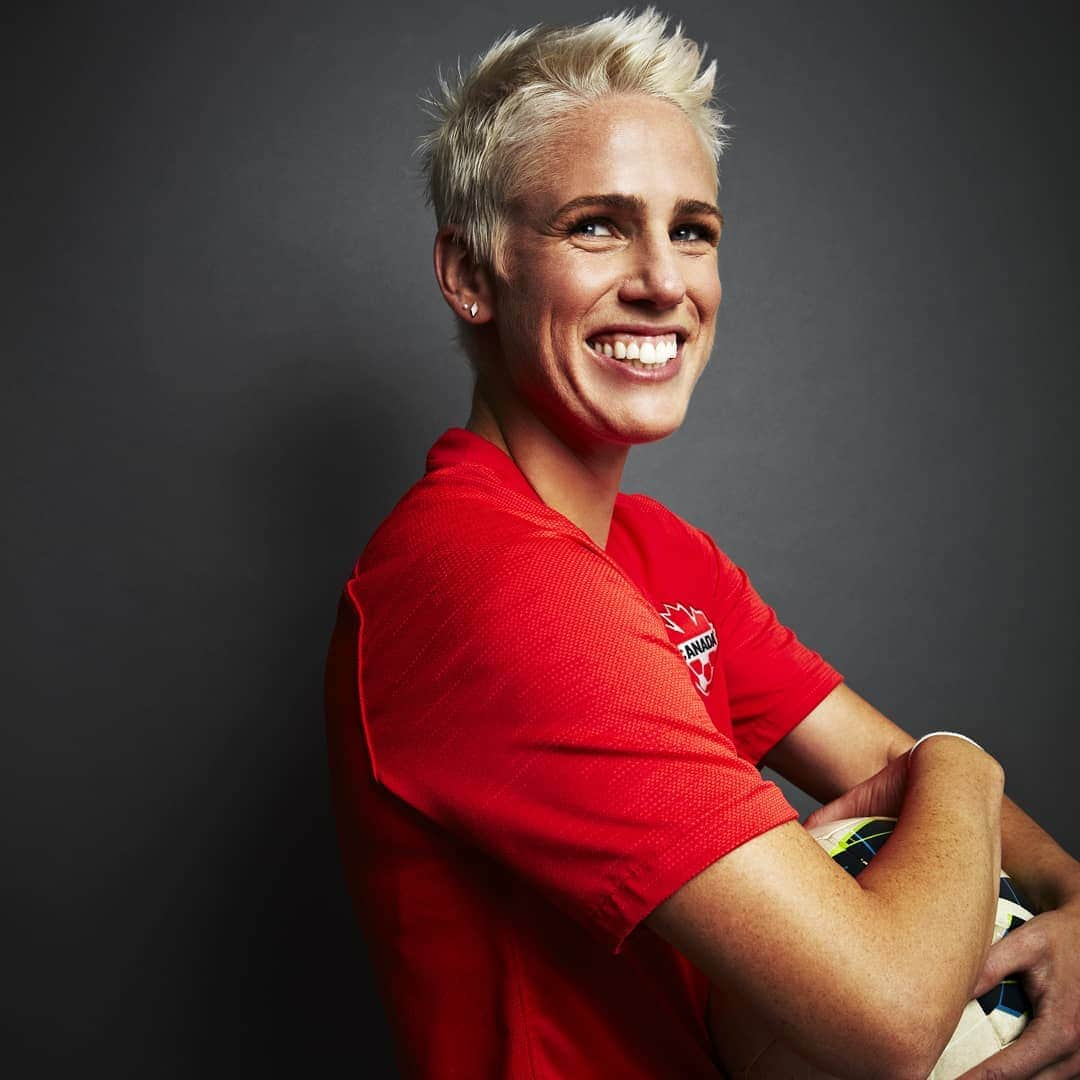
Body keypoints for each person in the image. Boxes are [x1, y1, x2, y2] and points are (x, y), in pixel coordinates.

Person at [325, 10, 1080, 1077]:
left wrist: (1077, 908)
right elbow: (891, 1015)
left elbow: (892, 778)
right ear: (470, 273)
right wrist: (965, 759)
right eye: (596, 225)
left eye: (693, 230)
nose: (664, 283)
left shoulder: (655, 549)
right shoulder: (485, 585)